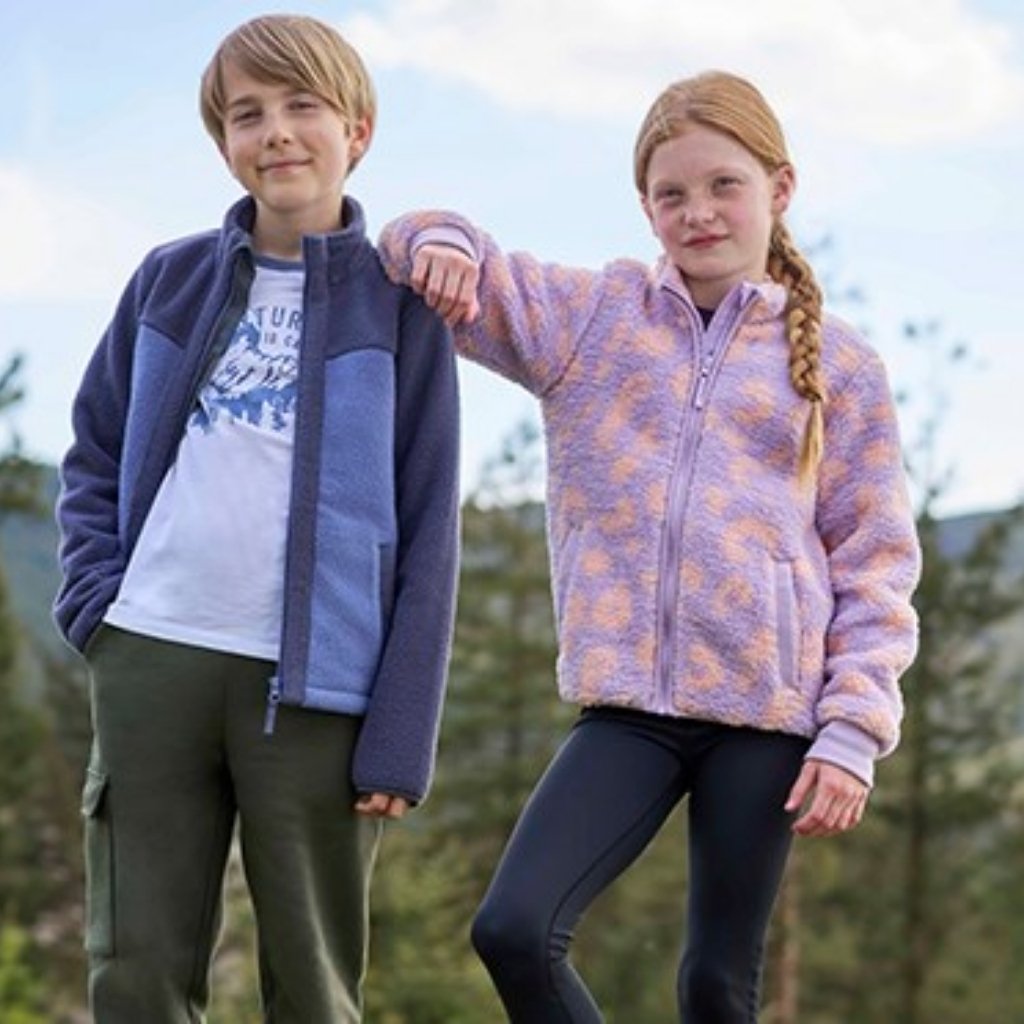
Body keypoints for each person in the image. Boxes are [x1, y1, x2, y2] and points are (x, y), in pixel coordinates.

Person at [377, 70, 920, 1022]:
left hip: (769, 717)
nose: (698, 212)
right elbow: (438, 246)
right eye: (672, 193)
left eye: (724, 186)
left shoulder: (843, 369)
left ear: (779, 189)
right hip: (629, 707)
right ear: (645, 206)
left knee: (716, 983)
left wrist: (852, 732)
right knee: (512, 927)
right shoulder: (594, 321)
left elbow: (875, 563)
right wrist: (441, 241)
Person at [53, 14, 460, 1023]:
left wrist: (400, 735)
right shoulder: (167, 278)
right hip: (153, 653)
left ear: (356, 129)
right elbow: (93, 450)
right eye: (248, 115)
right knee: (136, 972)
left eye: (301, 106)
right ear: (225, 143)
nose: (276, 132)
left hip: (322, 687)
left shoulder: (401, 308)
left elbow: (428, 529)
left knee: (315, 987)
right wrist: (95, 607)